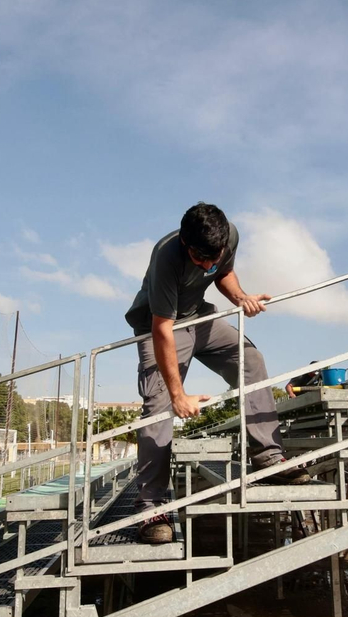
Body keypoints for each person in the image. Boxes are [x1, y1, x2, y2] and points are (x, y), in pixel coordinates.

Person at [124, 202, 309, 544]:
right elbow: (163, 328)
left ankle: (268, 457)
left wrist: (240, 297)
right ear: (184, 242)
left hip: (201, 318)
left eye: (213, 256)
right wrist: (178, 395)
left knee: (251, 359)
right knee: (159, 403)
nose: (207, 264)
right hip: (162, 325)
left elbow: (223, 272)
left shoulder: (228, 237)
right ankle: (150, 508)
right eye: (199, 259)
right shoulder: (166, 256)